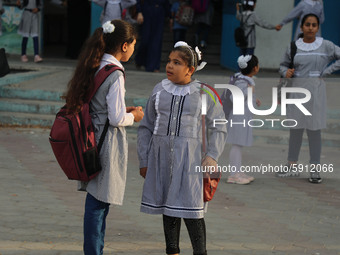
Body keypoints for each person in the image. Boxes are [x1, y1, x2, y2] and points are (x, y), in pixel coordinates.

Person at [137, 41, 227, 255]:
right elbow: (145, 126)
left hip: (190, 162)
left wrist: (212, 155)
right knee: (168, 209)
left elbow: (220, 125)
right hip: (161, 161)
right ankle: (172, 251)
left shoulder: (204, 93)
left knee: (192, 211)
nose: (170, 66)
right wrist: (144, 160)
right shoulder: (159, 90)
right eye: (169, 61)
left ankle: (200, 252)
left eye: (177, 63)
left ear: (190, 69)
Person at [64, 19, 144, 254]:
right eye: (134, 45)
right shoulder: (116, 73)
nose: (133, 49)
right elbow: (118, 118)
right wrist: (135, 116)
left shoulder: (96, 64)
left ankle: (93, 249)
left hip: (90, 136)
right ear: (125, 45)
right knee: (99, 203)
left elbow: (101, 105)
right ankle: (93, 250)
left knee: (96, 199)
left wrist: (122, 110)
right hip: (105, 142)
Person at [276, 13, 340, 183]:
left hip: (316, 94)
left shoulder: (325, 45)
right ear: (302, 27)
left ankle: (315, 169)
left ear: (318, 27)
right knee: (295, 130)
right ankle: (291, 166)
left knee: (314, 131)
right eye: (307, 25)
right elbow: (282, 65)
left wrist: (326, 72)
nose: (310, 28)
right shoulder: (293, 47)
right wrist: (285, 72)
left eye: (314, 25)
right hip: (296, 92)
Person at [221, 55, 261, 185]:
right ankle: (233, 175)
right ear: (255, 68)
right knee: (237, 145)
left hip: (244, 116)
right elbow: (235, 97)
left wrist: (254, 99)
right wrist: (249, 92)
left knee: (239, 145)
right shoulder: (242, 81)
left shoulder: (245, 80)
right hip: (239, 117)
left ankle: (237, 171)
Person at [134, 0, 170, 72]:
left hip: (160, 13)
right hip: (146, 12)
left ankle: (154, 66)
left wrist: (169, 16)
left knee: (156, 41)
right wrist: (139, 11)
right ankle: (140, 60)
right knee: (145, 40)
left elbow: (166, 3)